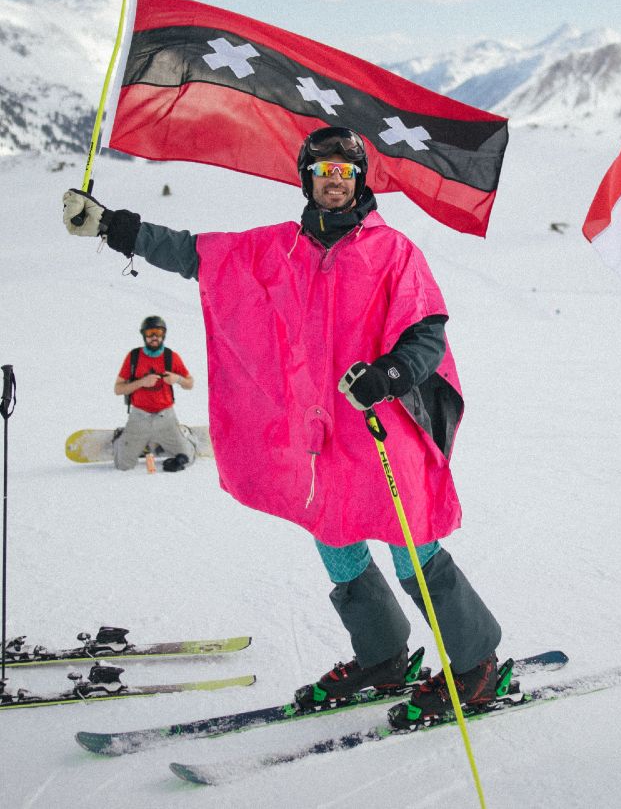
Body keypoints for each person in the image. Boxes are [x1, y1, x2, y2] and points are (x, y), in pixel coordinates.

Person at [62, 126, 502, 727]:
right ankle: (382, 657)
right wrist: (119, 230)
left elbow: (427, 331)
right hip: (320, 435)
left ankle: (477, 664)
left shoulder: (393, 251)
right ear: (307, 178)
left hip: (381, 427)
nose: (333, 182)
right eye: (323, 172)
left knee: (412, 548)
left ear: (359, 181)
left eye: (344, 173)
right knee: (334, 536)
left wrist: (391, 373)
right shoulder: (279, 250)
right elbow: (197, 253)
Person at [112, 315, 196, 472]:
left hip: (166, 416)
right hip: (139, 416)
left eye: (158, 332)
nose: (154, 337)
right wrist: (142, 382)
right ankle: (122, 438)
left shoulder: (171, 357)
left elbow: (190, 383)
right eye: (150, 333)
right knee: (123, 465)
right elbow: (118, 389)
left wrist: (177, 379)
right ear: (144, 335)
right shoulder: (134, 357)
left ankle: (183, 435)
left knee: (187, 459)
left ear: (163, 334)